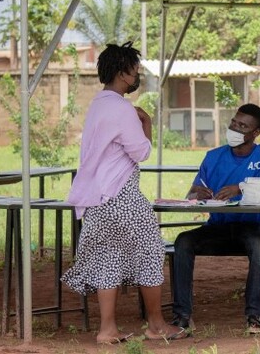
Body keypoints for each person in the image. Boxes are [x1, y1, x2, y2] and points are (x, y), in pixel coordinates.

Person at [61, 41, 180, 344]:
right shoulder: (123, 109)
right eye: (136, 71)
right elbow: (140, 152)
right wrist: (147, 123)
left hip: (96, 200)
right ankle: (155, 325)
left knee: (108, 260)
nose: (138, 76)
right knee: (151, 254)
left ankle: (107, 330)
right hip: (123, 196)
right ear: (124, 74)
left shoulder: (98, 104)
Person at [172, 103, 260, 336]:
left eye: (243, 126)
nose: (235, 128)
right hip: (218, 227)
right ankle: (182, 316)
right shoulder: (213, 157)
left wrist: (240, 189)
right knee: (183, 242)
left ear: (255, 133)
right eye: (234, 122)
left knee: (259, 247)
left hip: (252, 227)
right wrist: (195, 194)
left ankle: (254, 316)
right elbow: (193, 192)